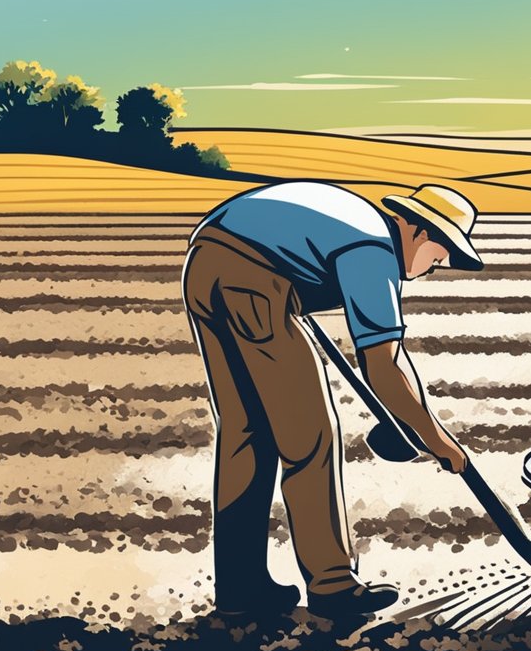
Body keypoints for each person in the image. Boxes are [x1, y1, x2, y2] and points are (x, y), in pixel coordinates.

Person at [182, 181, 483, 618]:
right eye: (440, 255)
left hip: (205, 263)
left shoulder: (354, 229)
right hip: (251, 279)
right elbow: (383, 365)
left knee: (247, 435)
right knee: (309, 435)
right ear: (417, 232)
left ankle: (240, 587)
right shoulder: (373, 248)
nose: (437, 267)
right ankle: (333, 584)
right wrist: (439, 441)